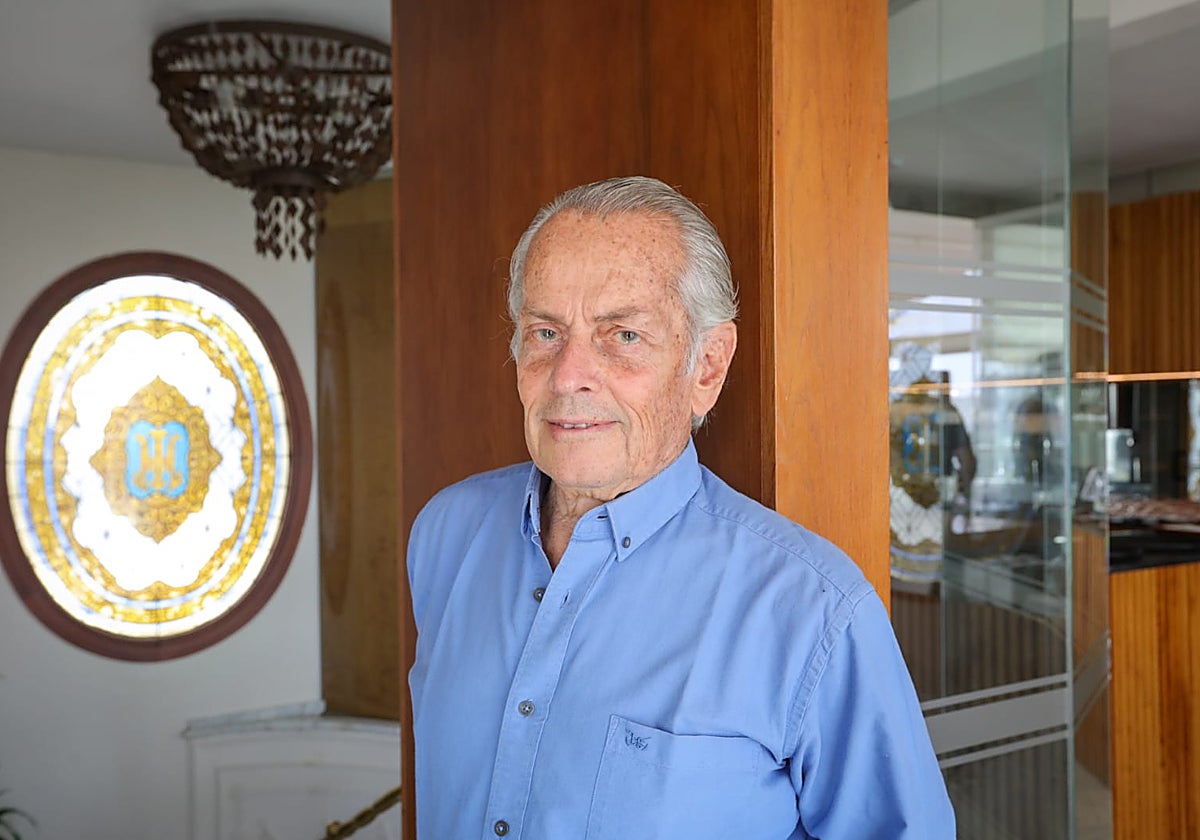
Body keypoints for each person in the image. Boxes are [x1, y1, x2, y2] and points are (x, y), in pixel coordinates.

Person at [407, 176, 955, 838]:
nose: (568, 374)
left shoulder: (813, 611)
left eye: (623, 335)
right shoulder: (445, 537)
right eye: (546, 331)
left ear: (708, 367)